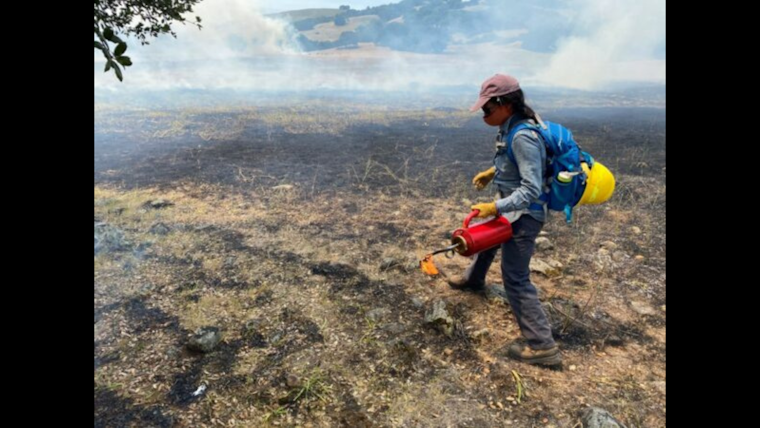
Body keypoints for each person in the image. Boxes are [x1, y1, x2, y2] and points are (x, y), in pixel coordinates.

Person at [448, 73, 561, 367]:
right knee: (487, 240)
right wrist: (492, 173)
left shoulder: (523, 135)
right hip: (512, 211)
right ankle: (474, 280)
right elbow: (512, 162)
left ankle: (542, 346)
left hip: (525, 216)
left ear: (506, 104)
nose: (484, 114)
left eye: (487, 109)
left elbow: (531, 189)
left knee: (515, 277)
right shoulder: (511, 127)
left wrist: (495, 207)